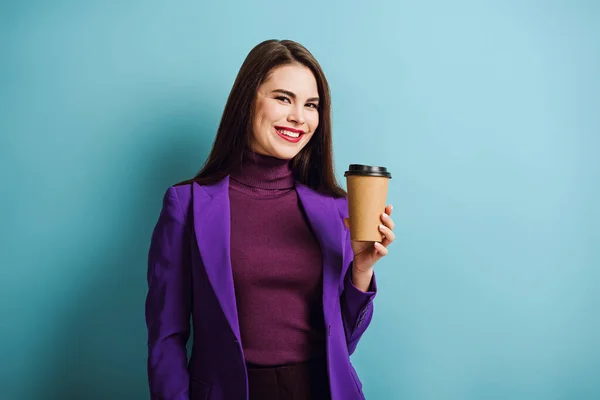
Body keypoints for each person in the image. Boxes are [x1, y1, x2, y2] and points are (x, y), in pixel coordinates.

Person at [145, 39, 396, 400]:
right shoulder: (186, 205)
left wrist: (361, 270)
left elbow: (344, 344)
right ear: (248, 101)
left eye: (311, 105)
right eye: (283, 98)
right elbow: (166, 337)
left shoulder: (337, 209)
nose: (299, 117)